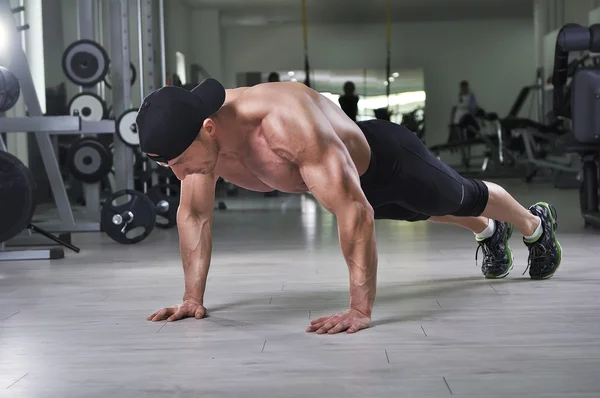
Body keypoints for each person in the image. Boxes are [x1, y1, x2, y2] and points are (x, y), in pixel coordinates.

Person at [137, 78, 563, 335]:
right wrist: (192, 297)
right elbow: (193, 215)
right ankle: (490, 232)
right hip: (351, 185)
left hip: (389, 160)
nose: (180, 175)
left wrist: (360, 309)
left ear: (208, 129)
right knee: (424, 213)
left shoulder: (283, 122)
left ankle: (534, 225)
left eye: (180, 163)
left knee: (461, 196)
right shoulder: (195, 143)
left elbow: (355, 212)